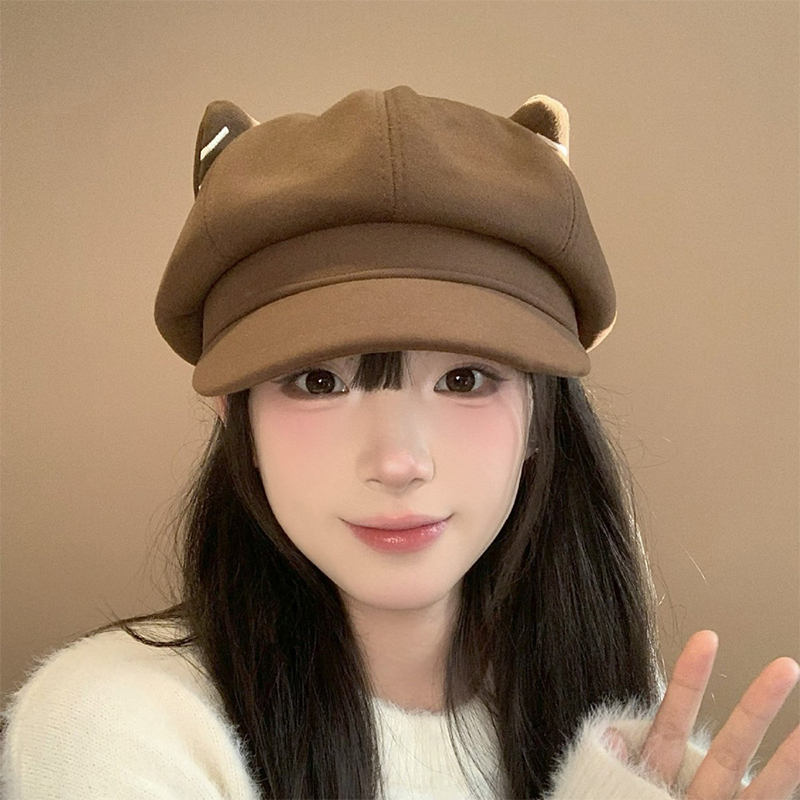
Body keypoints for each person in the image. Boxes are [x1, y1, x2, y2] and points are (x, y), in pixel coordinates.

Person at [1, 85, 797, 800]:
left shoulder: (616, 729)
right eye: (318, 381)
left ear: (541, 413)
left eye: (465, 379)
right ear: (231, 414)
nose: (397, 463)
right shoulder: (114, 725)